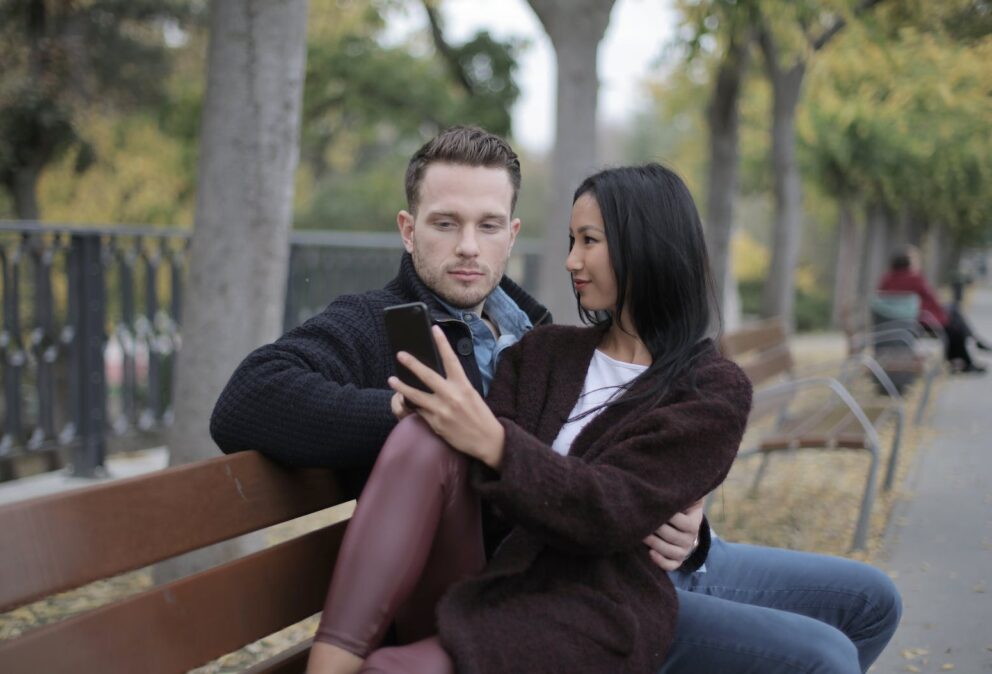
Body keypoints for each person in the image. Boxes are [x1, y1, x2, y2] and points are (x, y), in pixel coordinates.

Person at [211, 126, 901, 672]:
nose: (468, 248)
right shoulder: (377, 324)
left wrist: (687, 523)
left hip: (628, 553)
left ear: (512, 234)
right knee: (819, 656)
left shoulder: (533, 326)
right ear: (407, 228)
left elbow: (613, 449)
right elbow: (247, 401)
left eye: (488, 226)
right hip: (528, 574)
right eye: (445, 223)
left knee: (870, 601)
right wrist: (415, 411)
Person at [305, 164, 752, 673]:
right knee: (422, 435)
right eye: (570, 240)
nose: (570, 261)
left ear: (644, 245)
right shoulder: (545, 350)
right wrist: (436, 421)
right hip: (490, 576)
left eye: (589, 241)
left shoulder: (712, 389)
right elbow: (486, 496)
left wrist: (496, 443)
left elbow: (613, 508)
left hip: (586, 609)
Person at [878, 244, 990, 374]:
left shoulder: (886, 279)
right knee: (955, 322)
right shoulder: (915, 278)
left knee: (954, 315)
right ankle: (969, 350)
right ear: (909, 262)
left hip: (900, 321)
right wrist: (943, 315)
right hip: (920, 321)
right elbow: (932, 299)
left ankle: (968, 349)